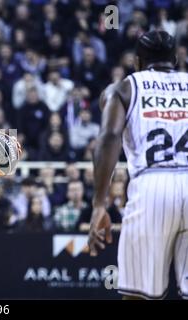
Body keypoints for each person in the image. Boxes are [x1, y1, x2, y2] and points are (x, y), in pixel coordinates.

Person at [89, 30, 188, 300]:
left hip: (151, 186)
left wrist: (99, 203)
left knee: (138, 295)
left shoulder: (124, 87)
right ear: (176, 60)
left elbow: (109, 138)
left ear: (137, 62)